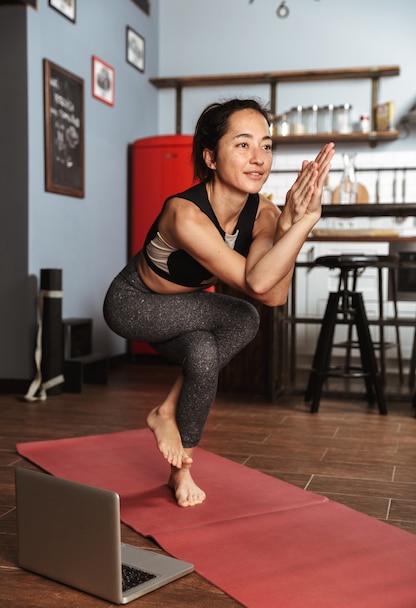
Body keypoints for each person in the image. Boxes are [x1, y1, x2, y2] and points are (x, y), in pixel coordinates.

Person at [103, 98, 334, 508]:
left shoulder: (262, 212)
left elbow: (276, 293)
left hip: (185, 310)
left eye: (266, 146)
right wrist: (299, 223)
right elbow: (259, 286)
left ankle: (180, 468)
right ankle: (165, 413)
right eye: (243, 145)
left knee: (204, 352)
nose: (259, 158)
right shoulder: (184, 213)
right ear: (210, 156)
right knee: (243, 314)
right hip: (134, 305)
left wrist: (294, 224)